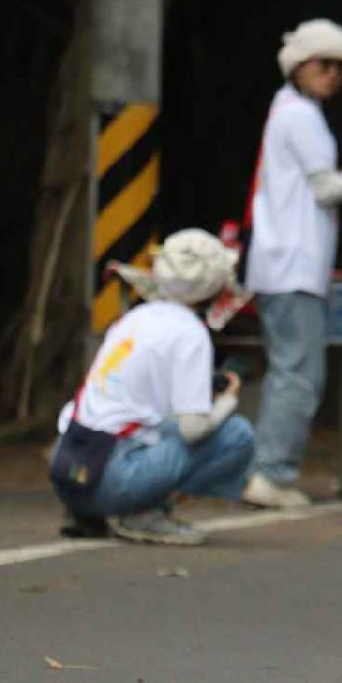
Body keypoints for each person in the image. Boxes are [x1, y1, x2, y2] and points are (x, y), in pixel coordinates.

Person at [242, 18, 342, 508]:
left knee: (290, 369)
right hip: (293, 265)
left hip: (282, 264)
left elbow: (313, 183)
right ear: (299, 65)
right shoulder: (302, 116)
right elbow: (325, 188)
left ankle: (261, 468)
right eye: (325, 64)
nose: (333, 74)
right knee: (301, 373)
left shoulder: (286, 110)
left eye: (340, 68)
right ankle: (271, 474)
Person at [49, 229, 255, 546]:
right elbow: (192, 431)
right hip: (114, 479)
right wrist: (227, 401)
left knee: (147, 422)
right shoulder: (190, 333)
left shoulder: (135, 318)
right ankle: (145, 512)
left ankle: (83, 510)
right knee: (236, 433)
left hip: (69, 469)